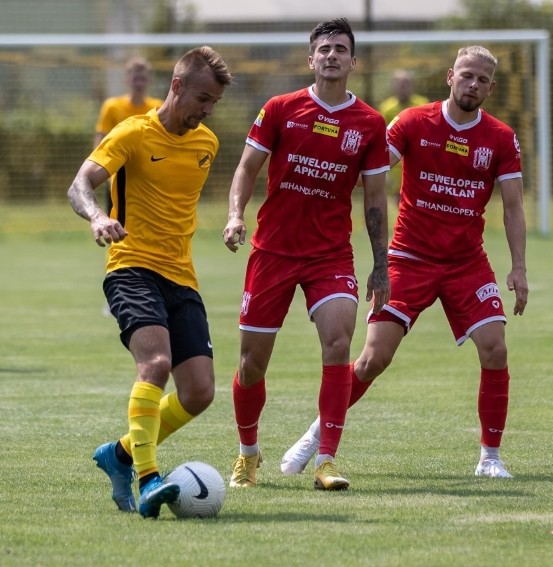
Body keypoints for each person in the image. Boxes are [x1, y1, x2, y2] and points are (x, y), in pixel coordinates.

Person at [279, 45, 529, 480]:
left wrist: (519, 267)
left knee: (496, 348)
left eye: (482, 80)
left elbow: (512, 207)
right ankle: (316, 435)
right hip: (407, 259)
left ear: (491, 86)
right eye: (466, 75)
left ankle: (490, 457)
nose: (473, 85)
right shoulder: (414, 122)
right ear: (450, 76)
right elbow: (371, 173)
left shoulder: (501, 138)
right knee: (373, 358)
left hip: (467, 264)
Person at [222, 18, 390, 492]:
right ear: (310, 58)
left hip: (330, 255)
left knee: (338, 345)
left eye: (341, 49)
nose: (332, 55)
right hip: (272, 251)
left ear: (353, 62)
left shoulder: (370, 124)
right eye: (324, 49)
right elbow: (246, 169)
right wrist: (236, 215)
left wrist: (380, 264)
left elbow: (375, 198)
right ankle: (248, 455)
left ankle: (328, 461)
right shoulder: (280, 108)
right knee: (252, 363)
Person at [67, 46, 233, 519]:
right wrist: (98, 216)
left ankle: (118, 454)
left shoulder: (207, 144)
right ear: (176, 85)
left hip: (182, 276)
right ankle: (148, 478)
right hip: (131, 266)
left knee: (200, 392)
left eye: (214, 104)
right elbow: (80, 183)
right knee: (156, 364)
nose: (206, 111)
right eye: (202, 98)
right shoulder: (133, 133)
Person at [93, 58, 164, 215]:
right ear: (127, 79)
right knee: (116, 222)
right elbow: (101, 138)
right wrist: (102, 168)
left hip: (148, 177)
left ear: (149, 80)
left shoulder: (157, 106)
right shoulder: (112, 106)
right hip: (118, 174)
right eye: (135, 78)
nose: (139, 83)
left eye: (143, 78)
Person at [378, 70, 429, 203]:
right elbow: (383, 136)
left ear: (412, 85)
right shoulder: (386, 108)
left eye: (406, 84)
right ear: (394, 85)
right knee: (399, 199)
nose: (403, 87)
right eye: (400, 84)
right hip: (396, 164)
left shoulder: (423, 104)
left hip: (419, 161)